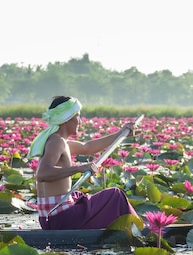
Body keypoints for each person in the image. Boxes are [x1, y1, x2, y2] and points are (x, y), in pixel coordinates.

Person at [29, 96, 138, 230]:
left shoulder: (58, 141)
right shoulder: (57, 141)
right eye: (78, 116)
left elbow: (87, 148)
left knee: (79, 196)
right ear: (67, 118)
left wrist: (121, 134)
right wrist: (79, 168)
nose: (80, 121)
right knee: (116, 195)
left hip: (50, 219)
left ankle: (127, 228)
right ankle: (140, 231)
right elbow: (42, 174)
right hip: (60, 219)